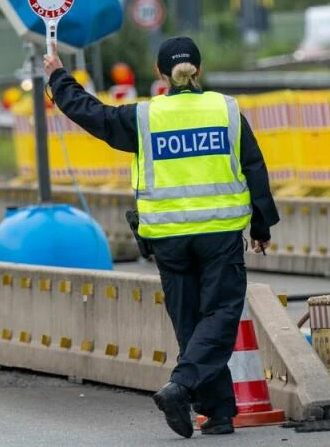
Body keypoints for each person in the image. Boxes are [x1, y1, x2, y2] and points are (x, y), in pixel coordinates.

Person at [44, 36, 280, 437]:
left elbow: (92, 114)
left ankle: (219, 413)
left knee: (190, 323)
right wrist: (261, 226)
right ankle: (183, 386)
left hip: (168, 238)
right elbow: (253, 167)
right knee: (220, 316)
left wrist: (58, 78)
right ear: (199, 70)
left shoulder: (144, 117)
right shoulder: (226, 110)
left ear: (160, 74)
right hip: (218, 233)